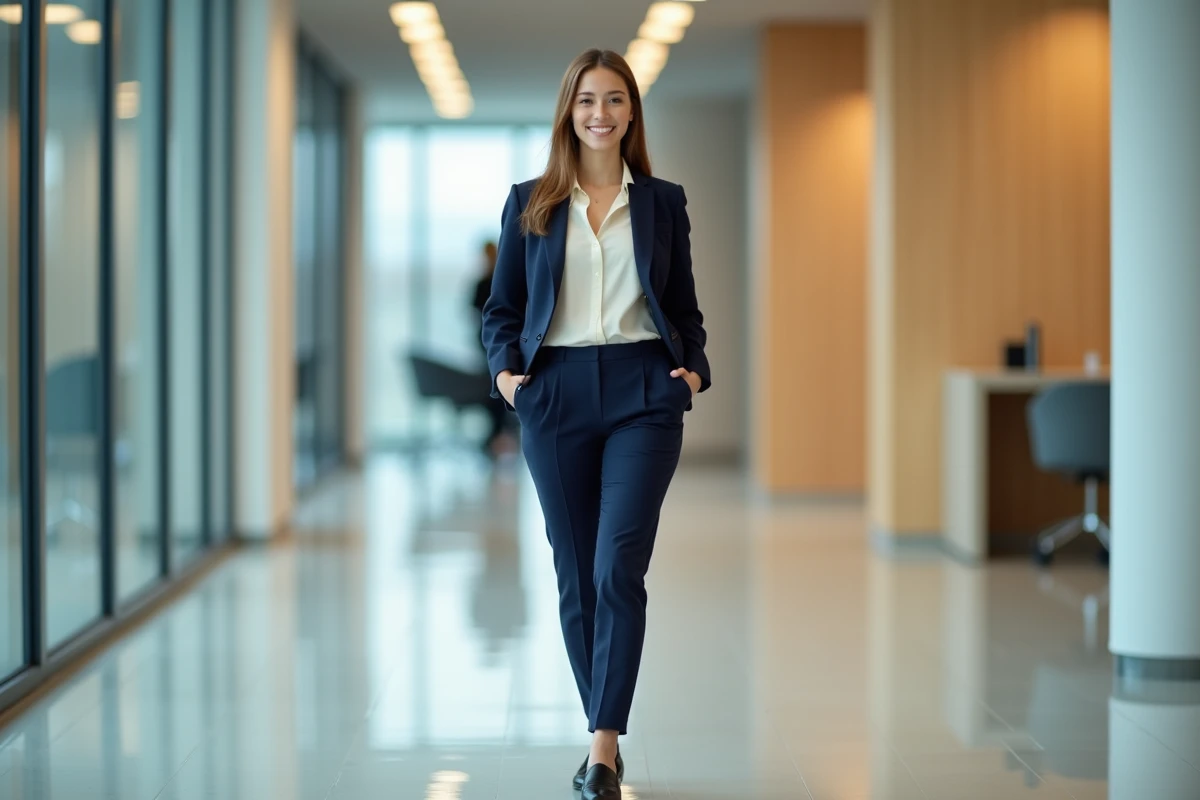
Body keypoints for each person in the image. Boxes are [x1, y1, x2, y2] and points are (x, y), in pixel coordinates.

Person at [481, 48, 709, 799]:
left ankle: (602, 750)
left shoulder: (663, 203)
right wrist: (510, 380)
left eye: (614, 99)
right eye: (586, 100)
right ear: (568, 112)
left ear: (631, 111)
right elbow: (503, 311)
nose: (600, 113)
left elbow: (684, 308)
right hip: (555, 393)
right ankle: (601, 737)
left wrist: (692, 372)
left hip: (644, 392)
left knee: (617, 566)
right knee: (576, 573)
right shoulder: (531, 203)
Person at [470, 241, 512, 455]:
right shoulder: (485, 282)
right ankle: (496, 435)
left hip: (500, 340)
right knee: (492, 387)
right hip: (486, 342)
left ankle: (500, 434)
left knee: (500, 385)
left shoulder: (501, 280)